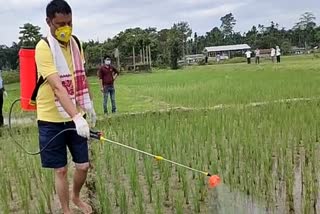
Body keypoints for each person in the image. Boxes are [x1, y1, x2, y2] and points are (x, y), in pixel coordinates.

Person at [35, 1, 96, 213]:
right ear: (49, 22)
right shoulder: (43, 48)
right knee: (60, 170)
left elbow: (81, 77)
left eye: (69, 22)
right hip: (51, 120)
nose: (66, 28)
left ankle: (76, 197)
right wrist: (77, 118)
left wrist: (88, 106)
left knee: (83, 166)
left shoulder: (76, 43)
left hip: (75, 113)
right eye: (60, 24)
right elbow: (58, 87)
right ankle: (66, 209)